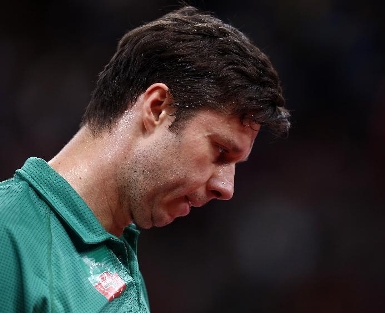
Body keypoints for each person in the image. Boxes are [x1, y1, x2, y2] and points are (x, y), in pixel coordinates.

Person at [0, 6, 290, 312]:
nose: (226, 188)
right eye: (220, 151)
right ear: (156, 108)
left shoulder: (116, 255)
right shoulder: (9, 233)